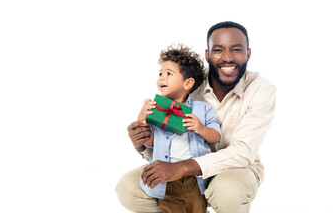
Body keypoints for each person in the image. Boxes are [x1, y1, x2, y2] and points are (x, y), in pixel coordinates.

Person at [116, 21, 276, 213]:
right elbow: (167, 137)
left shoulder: (261, 90)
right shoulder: (187, 80)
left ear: (248, 54)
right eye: (218, 50)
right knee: (128, 188)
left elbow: (243, 152)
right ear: (207, 55)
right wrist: (142, 142)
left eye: (236, 49)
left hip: (234, 169)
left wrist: (182, 168)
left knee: (228, 192)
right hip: (180, 166)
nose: (227, 57)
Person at [136, 44, 221, 213]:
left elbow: (216, 136)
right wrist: (142, 116)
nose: (161, 78)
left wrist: (201, 128)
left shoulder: (202, 109)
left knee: (197, 209)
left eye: (168, 74)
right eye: (160, 73)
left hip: (194, 177)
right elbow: (149, 141)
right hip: (165, 178)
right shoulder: (155, 108)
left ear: (188, 83)